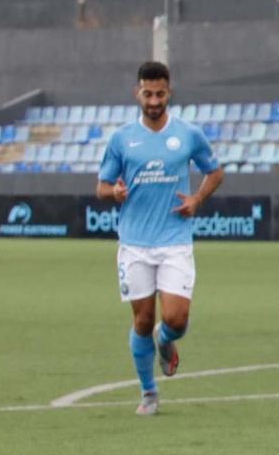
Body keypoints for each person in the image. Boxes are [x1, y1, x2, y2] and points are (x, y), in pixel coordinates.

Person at [93, 60, 223, 416]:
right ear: (138, 93)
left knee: (176, 319)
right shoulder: (122, 139)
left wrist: (196, 198)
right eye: (148, 93)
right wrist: (113, 192)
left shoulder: (188, 135)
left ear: (169, 92)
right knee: (143, 321)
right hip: (134, 243)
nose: (153, 100)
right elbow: (101, 186)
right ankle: (149, 392)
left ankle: (167, 344)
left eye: (160, 93)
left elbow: (215, 171)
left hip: (174, 240)